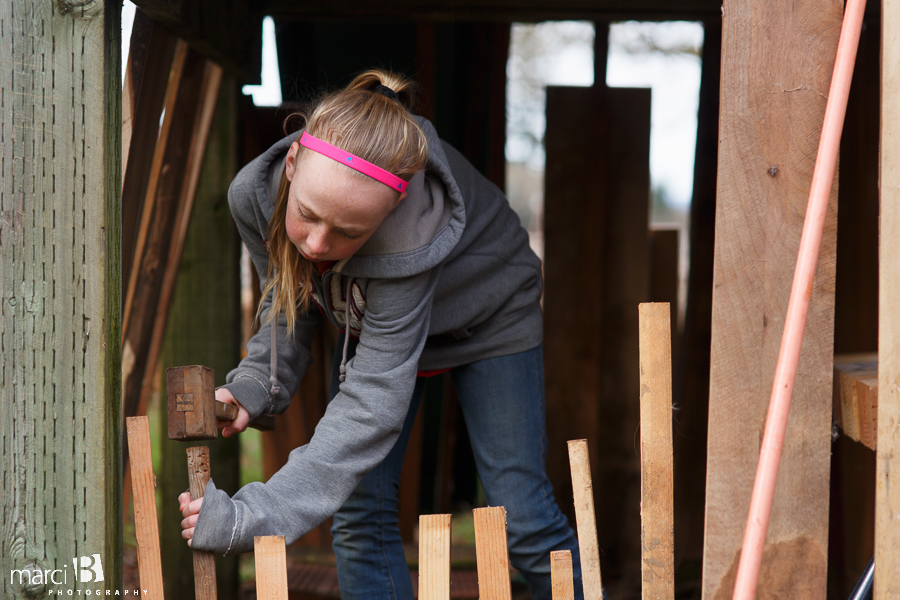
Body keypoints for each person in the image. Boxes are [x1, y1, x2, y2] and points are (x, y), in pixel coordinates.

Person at [177, 69, 584, 600]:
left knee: (523, 517)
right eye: (307, 216)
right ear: (294, 163)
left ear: (392, 206)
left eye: (348, 233)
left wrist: (255, 516)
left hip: (488, 317)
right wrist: (257, 382)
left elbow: (372, 404)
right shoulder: (254, 197)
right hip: (377, 324)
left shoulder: (404, 240)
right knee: (358, 516)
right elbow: (289, 296)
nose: (318, 245)